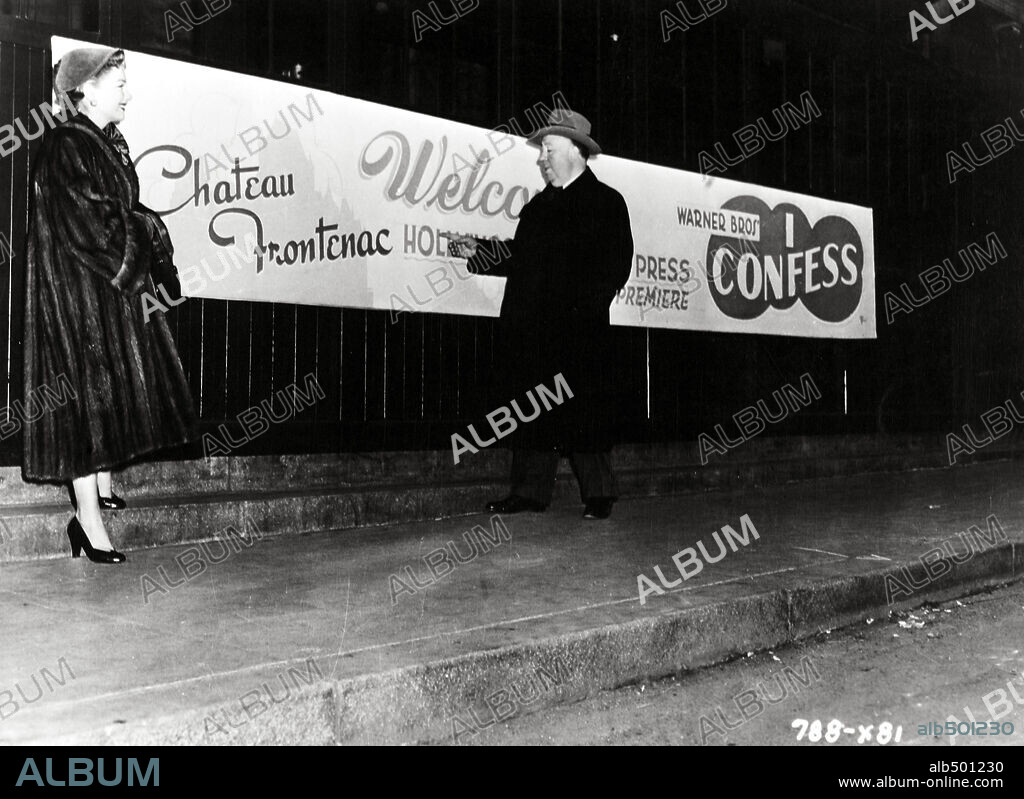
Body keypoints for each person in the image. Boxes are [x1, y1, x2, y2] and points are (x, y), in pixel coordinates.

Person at [23, 46, 198, 563]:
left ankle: (96, 487)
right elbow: (89, 221)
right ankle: (88, 523)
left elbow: (117, 210)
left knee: (102, 396)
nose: (128, 93)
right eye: (118, 84)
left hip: (99, 294)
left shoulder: (99, 143)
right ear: (88, 90)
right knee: (80, 403)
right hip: (74, 297)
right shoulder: (65, 145)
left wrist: (148, 230)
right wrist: (145, 231)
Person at [450, 110, 633, 519]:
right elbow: (524, 258)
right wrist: (478, 251)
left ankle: (599, 494)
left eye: (548, 149)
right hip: (533, 331)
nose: (542, 158)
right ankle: (529, 493)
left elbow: (617, 264)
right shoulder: (537, 207)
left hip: (577, 330)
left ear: (574, 150)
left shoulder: (607, 203)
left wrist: (582, 308)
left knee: (583, 412)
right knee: (531, 407)